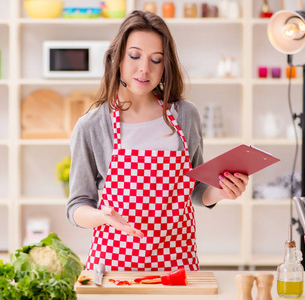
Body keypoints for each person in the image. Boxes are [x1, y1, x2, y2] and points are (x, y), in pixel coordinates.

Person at [66, 10, 249, 272]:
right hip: (114, 265)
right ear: (117, 58)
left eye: (156, 60)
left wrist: (223, 191)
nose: (145, 68)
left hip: (176, 264)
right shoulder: (92, 125)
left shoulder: (185, 115)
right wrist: (101, 216)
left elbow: (196, 189)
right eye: (134, 56)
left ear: (166, 66)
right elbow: (76, 206)